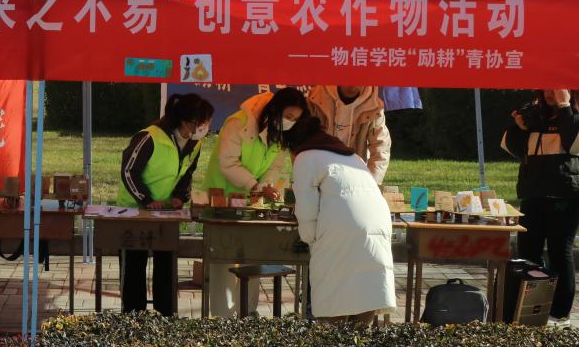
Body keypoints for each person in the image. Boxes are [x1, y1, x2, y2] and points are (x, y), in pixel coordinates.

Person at [202, 87, 308, 317]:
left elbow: (275, 166)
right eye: (288, 116)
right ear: (275, 109)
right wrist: (256, 186)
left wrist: (266, 186)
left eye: (295, 119)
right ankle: (223, 319)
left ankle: (248, 314)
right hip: (223, 203)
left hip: (252, 203)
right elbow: (228, 163)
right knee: (223, 263)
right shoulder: (238, 123)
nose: (290, 122)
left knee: (252, 256)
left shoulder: (281, 133)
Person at [289, 116, 396, 323]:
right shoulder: (353, 157)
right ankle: (361, 341)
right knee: (369, 289)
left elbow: (306, 209)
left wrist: (311, 239)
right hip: (378, 222)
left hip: (342, 228)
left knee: (334, 295)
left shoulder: (306, 157)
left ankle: (334, 343)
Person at [117, 93, 214, 315]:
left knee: (166, 266)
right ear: (186, 121)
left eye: (207, 122)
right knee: (134, 268)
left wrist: (180, 196)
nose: (206, 127)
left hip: (167, 213)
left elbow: (188, 172)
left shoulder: (195, 144)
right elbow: (129, 170)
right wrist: (147, 200)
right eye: (202, 122)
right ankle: (133, 318)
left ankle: (166, 317)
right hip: (134, 212)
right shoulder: (149, 137)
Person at [502, 88, 579, 326]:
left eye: (557, 87)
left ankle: (560, 313)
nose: (550, 92)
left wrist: (565, 107)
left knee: (560, 252)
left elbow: (575, 145)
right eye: (547, 86)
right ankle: (529, 309)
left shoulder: (573, 116)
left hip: (564, 196)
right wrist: (518, 127)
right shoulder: (535, 116)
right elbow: (512, 148)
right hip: (533, 194)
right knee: (528, 251)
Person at [306, 85, 391, 183]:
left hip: (355, 176)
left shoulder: (375, 108)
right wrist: (307, 179)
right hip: (318, 174)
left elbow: (381, 148)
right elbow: (301, 141)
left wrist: (371, 183)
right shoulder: (315, 100)